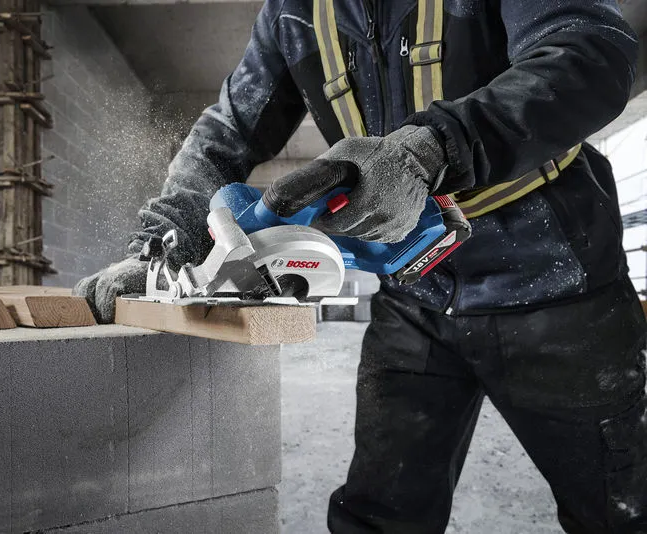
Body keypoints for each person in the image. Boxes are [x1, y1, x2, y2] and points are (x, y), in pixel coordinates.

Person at [75, 1, 647, 532]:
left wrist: (430, 149)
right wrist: (159, 250)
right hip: (415, 298)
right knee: (378, 515)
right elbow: (226, 134)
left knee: (620, 509)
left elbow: (589, 51)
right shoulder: (293, 13)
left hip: (558, 293)